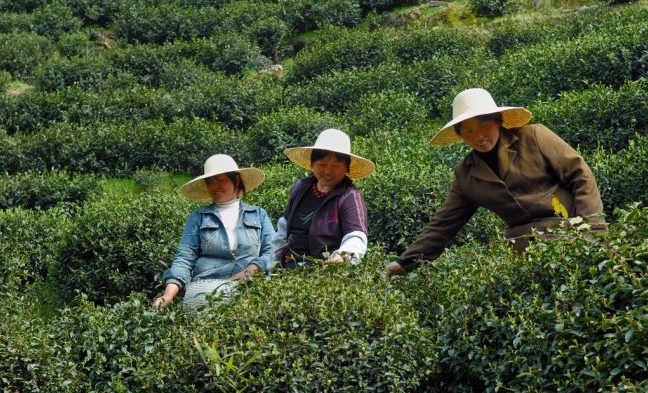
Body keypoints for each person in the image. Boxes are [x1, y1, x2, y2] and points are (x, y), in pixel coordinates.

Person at [385, 88, 606, 279]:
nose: (479, 136)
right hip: (524, 246)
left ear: (498, 121)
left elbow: (580, 175)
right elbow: (445, 223)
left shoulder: (535, 136)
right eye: (468, 131)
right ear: (461, 135)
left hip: (571, 231)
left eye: (483, 126)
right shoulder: (466, 174)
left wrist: (593, 229)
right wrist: (406, 262)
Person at [154, 154, 275, 309]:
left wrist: (254, 268)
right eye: (210, 182)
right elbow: (184, 258)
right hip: (205, 293)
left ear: (236, 180)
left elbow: (273, 250)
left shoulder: (258, 215)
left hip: (249, 291)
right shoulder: (198, 218)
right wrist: (168, 295)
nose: (215, 186)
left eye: (221, 179)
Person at [272, 128, 375, 268]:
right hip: (288, 267)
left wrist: (342, 256)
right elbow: (283, 229)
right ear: (312, 164)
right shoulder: (301, 187)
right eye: (322, 164)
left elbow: (356, 235)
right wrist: (271, 265)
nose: (328, 171)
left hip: (323, 273)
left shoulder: (350, 196)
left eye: (335, 165)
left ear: (346, 168)